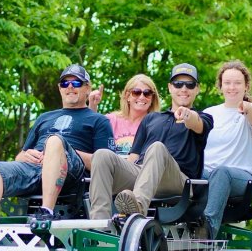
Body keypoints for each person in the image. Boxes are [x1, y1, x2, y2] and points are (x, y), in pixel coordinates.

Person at [0, 64, 115, 218]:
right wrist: (26, 156)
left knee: (54, 141)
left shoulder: (99, 120)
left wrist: (58, 151)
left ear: (87, 88)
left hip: (73, 175)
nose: (70, 87)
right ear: (59, 88)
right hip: (35, 169)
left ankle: (45, 213)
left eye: (76, 83)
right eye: (64, 83)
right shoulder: (44, 118)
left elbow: (106, 164)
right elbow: (20, 157)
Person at [89, 63, 213, 220]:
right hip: (144, 174)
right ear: (169, 87)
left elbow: (197, 124)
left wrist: (187, 115)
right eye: (178, 84)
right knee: (102, 155)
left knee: (157, 148)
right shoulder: (151, 118)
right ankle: (98, 227)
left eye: (190, 85)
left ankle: (137, 208)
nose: (183, 88)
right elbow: (133, 158)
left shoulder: (203, 118)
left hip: (178, 181)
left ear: (197, 89)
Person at [202, 60, 252, 238]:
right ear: (220, 86)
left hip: (243, 180)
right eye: (227, 83)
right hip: (207, 175)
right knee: (184, 168)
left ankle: (207, 232)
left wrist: (247, 107)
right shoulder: (209, 113)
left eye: (237, 83)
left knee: (222, 172)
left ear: (246, 86)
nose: (232, 87)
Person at [87, 74, 161, 155]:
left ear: (152, 99)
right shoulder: (111, 120)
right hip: (112, 166)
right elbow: (90, 133)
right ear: (127, 96)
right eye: (136, 92)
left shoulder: (157, 126)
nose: (142, 97)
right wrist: (93, 105)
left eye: (147, 93)